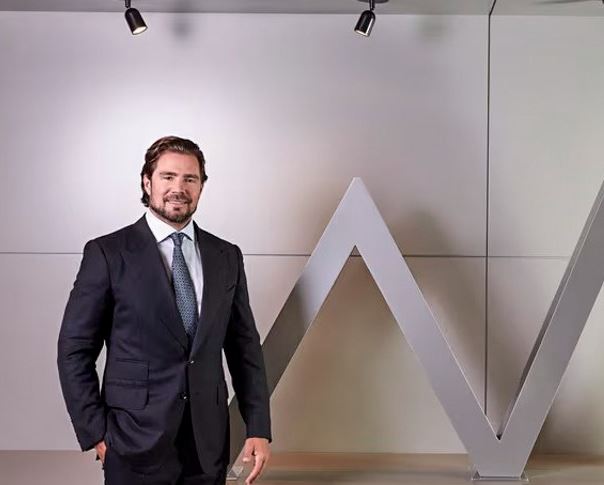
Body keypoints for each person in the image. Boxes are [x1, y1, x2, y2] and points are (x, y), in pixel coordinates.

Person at [57, 136, 271, 485]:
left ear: (201, 186)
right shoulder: (107, 253)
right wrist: (96, 432)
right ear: (147, 182)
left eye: (190, 179)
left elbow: (245, 349)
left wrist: (258, 427)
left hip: (208, 444)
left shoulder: (226, 256)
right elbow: (73, 350)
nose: (179, 188)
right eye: (168, 177)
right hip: (132, 441)